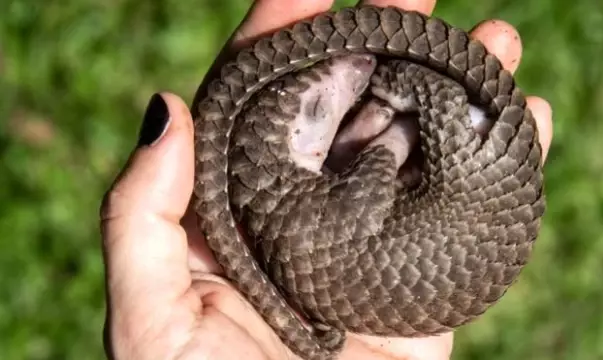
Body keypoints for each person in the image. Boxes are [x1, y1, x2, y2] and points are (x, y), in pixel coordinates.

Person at [99, 0, 554, 359]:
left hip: (469, 196)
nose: (358, 68)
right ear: (303, 142)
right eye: (323, 105)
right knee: (412, 108)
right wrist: (391, 121)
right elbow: (375, 166)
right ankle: (424, 90)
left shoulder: (305, 235)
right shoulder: (317, 232)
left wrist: (385, 127)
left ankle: (420, 94)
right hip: (481, 181)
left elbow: (371, 172)